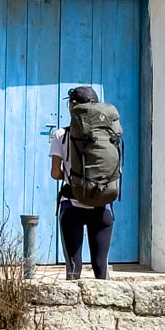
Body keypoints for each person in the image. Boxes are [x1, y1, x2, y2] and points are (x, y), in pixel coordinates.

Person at [49, 85, 122, 280]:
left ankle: (72, 309)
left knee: (73, 270)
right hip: (102, 205)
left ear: (73, 107)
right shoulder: (110, 135)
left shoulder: (60, 135)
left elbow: (55, 173)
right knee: (101, 269)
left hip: (72, 206)